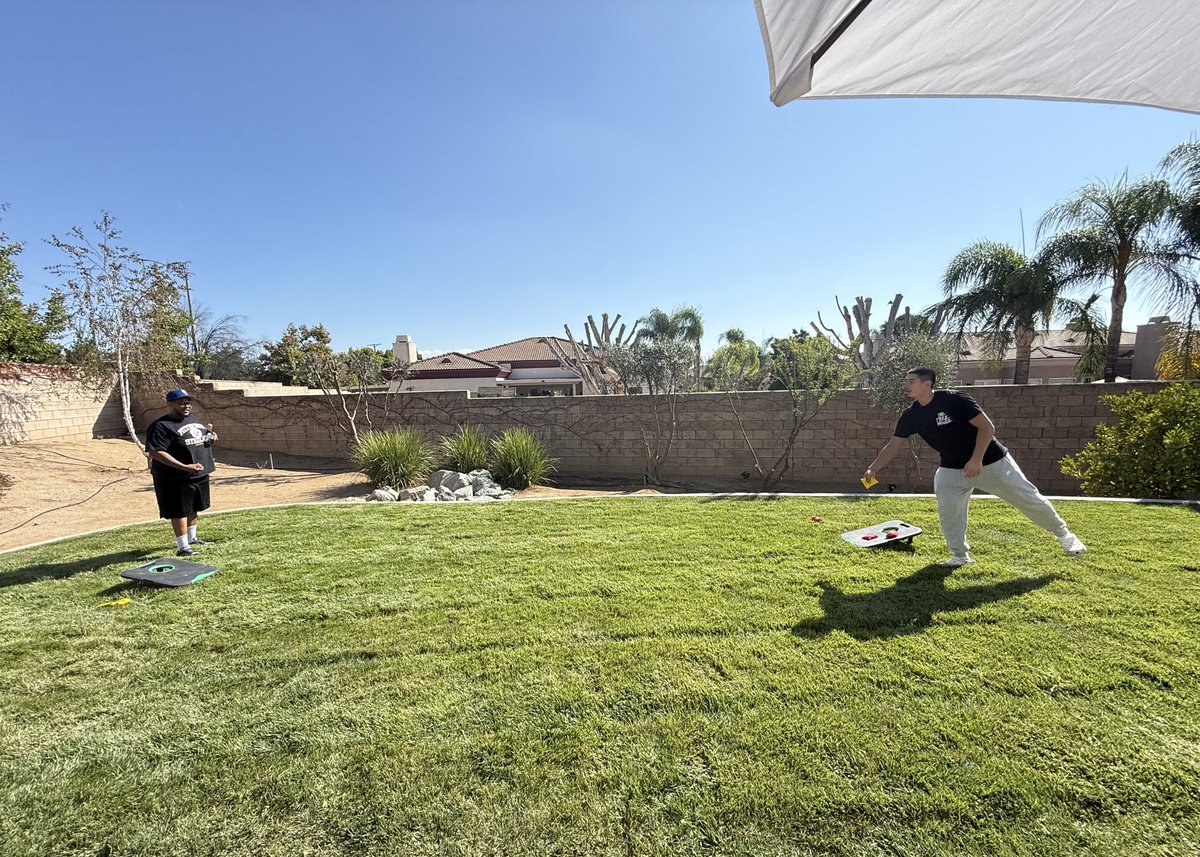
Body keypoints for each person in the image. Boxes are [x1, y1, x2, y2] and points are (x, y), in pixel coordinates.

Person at [862, 367, 1086, 567]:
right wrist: (874, 468)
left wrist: (976, 459)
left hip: (991, 462)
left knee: (1028, 499)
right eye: (906, 381)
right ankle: (959, 556)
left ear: (927, 384)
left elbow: (987, 428)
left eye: (911, 381)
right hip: (951, 469)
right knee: (949, 512)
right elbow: (894, 445)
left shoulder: (954, 400)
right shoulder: (911, 415)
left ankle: (1065, 536)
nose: (906, 385)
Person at [146, 389, 218, 557]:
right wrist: (184, 466)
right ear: (170, 404)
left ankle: (193, 539)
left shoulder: (191, 419)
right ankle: (183, 547)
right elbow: (156, 452)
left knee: (193, 508)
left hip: (198, 473)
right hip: (174, 477)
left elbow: (200, 437)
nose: (186, 406)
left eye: (188, 403)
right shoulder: (161, 426)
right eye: (181, 403)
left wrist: (212, 437)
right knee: (179, 510)